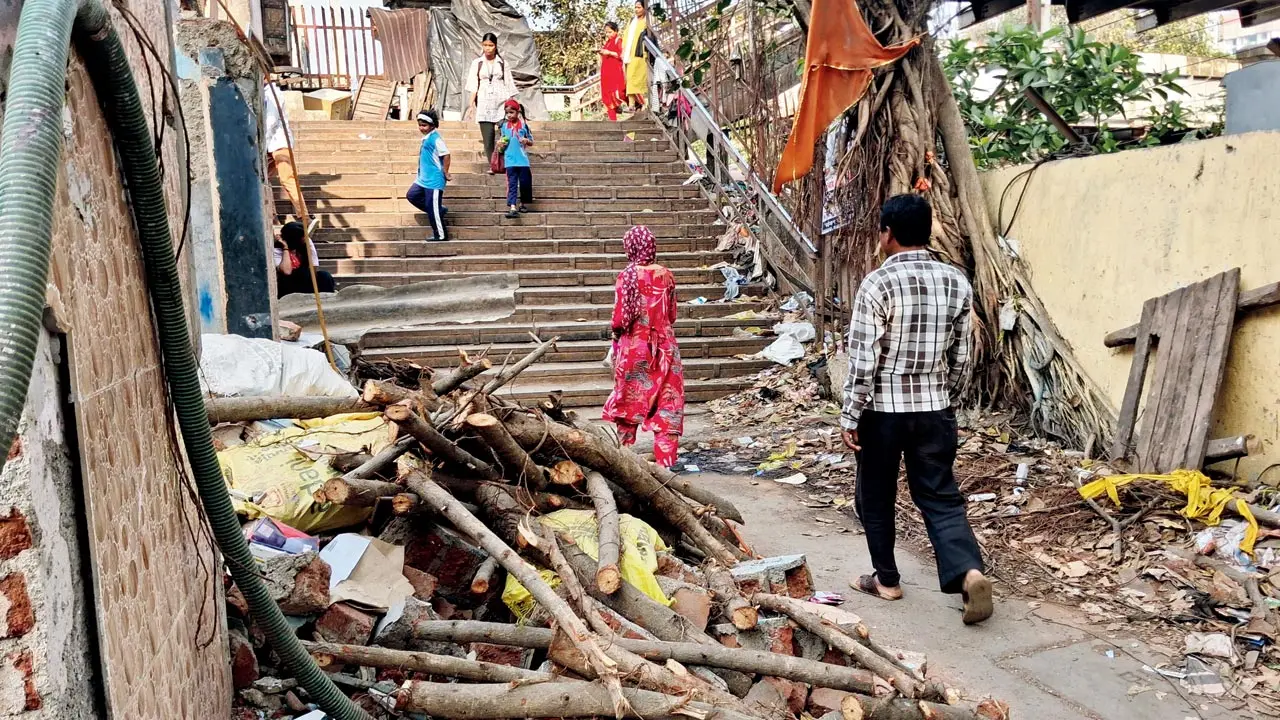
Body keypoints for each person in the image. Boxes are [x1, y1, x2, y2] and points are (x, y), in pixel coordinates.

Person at [840, 194, 992, 625]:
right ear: (927, 231)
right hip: (935, 409)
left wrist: (851, 415)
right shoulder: (956, 282)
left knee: (876, 494)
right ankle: (969, 573)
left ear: (887, 233)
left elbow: (863, 359)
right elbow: (963, 355)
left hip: (883, 414)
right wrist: (950, 400)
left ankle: (886, 580)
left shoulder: (877, 284)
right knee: (941, 496)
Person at [602, 226, 685, 467]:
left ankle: (623, 461)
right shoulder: (666, 274)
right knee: (669, 403)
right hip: (665, 349)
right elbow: (672, 314)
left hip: (634, 349)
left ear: (630, 247)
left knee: (629, 400)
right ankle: (666, 466)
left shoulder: (626, 276)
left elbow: (619, 320)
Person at [466, 32, 517, 169]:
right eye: (485, 45)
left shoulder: (502, 63)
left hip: (502, 103)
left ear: (495, 46)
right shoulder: (477, 63)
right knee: (488, 139)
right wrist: (471, 105)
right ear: (482, 46)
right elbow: (473, 85)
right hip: (484, 103)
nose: (488, 48)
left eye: (491, 45)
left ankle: (507, 163)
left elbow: (509, 84)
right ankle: (493, 165)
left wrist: (512, 105)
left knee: (506, 136)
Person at [406, 109, 451, 242]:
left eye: (424, 125)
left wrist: (446, 172)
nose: (422, 128)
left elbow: (446, 155)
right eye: (420, 125)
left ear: (432, 125)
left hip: (434, 180)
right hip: (422, 179)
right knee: (412, 195)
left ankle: (440, 234)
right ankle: (438, 210)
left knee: (432, 208)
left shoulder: (436, 138)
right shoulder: (426, 138)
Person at [263, 80, 305, 221]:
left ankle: (303, 215)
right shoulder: (263, 93)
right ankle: (271, 216)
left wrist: (262, 142)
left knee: (287, 178)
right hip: (270, 144)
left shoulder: (272, 93)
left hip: (279, 142)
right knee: (263, 179)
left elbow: (271, 120)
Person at [274, 221, 335, 298]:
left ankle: (328, 299)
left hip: (305, 280)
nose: (305, 240)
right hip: (290, 285)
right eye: (302, 238)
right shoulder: (277, 250)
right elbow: (287, 271)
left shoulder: (306, 242)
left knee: (324, 276)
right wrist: (285, 248)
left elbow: (314, 266)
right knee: (295, 276)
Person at [497, 99, 534, 219]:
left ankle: (523, 204)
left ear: (517, 112)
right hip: (510, 161)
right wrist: (500, 145)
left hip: (523, 161)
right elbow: (502, 140)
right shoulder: (503, 126)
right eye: (507, 113)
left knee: (524, 183)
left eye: (511, 112)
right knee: (512, 184)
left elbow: (531, 141)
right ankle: (512, 206)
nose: (509, 115)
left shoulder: (524, 126)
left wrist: (526, 141)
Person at [621, 0, 655, 111]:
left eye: (639, 7)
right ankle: (631, 105)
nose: (636, 10)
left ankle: (646, 103)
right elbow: (625, 35)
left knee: (641, 79)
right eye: (635, 7)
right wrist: (623, 50)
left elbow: (651, 35)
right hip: (629, 54)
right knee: (630, 78)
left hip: (641, 53)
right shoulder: (632, 21)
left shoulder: (648, 20)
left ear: (645, 8)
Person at [599, 22, 626, 122]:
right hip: (606, 72)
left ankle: (632, 107)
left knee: (617, 93)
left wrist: (609, 52)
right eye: (606, 32)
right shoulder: (607, 42)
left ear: (616, 31)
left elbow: (621, 55)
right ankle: (613, 121)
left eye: (610, 32)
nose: (608, 34)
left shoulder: (618, 41)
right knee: (607, 97)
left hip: (615, 72)